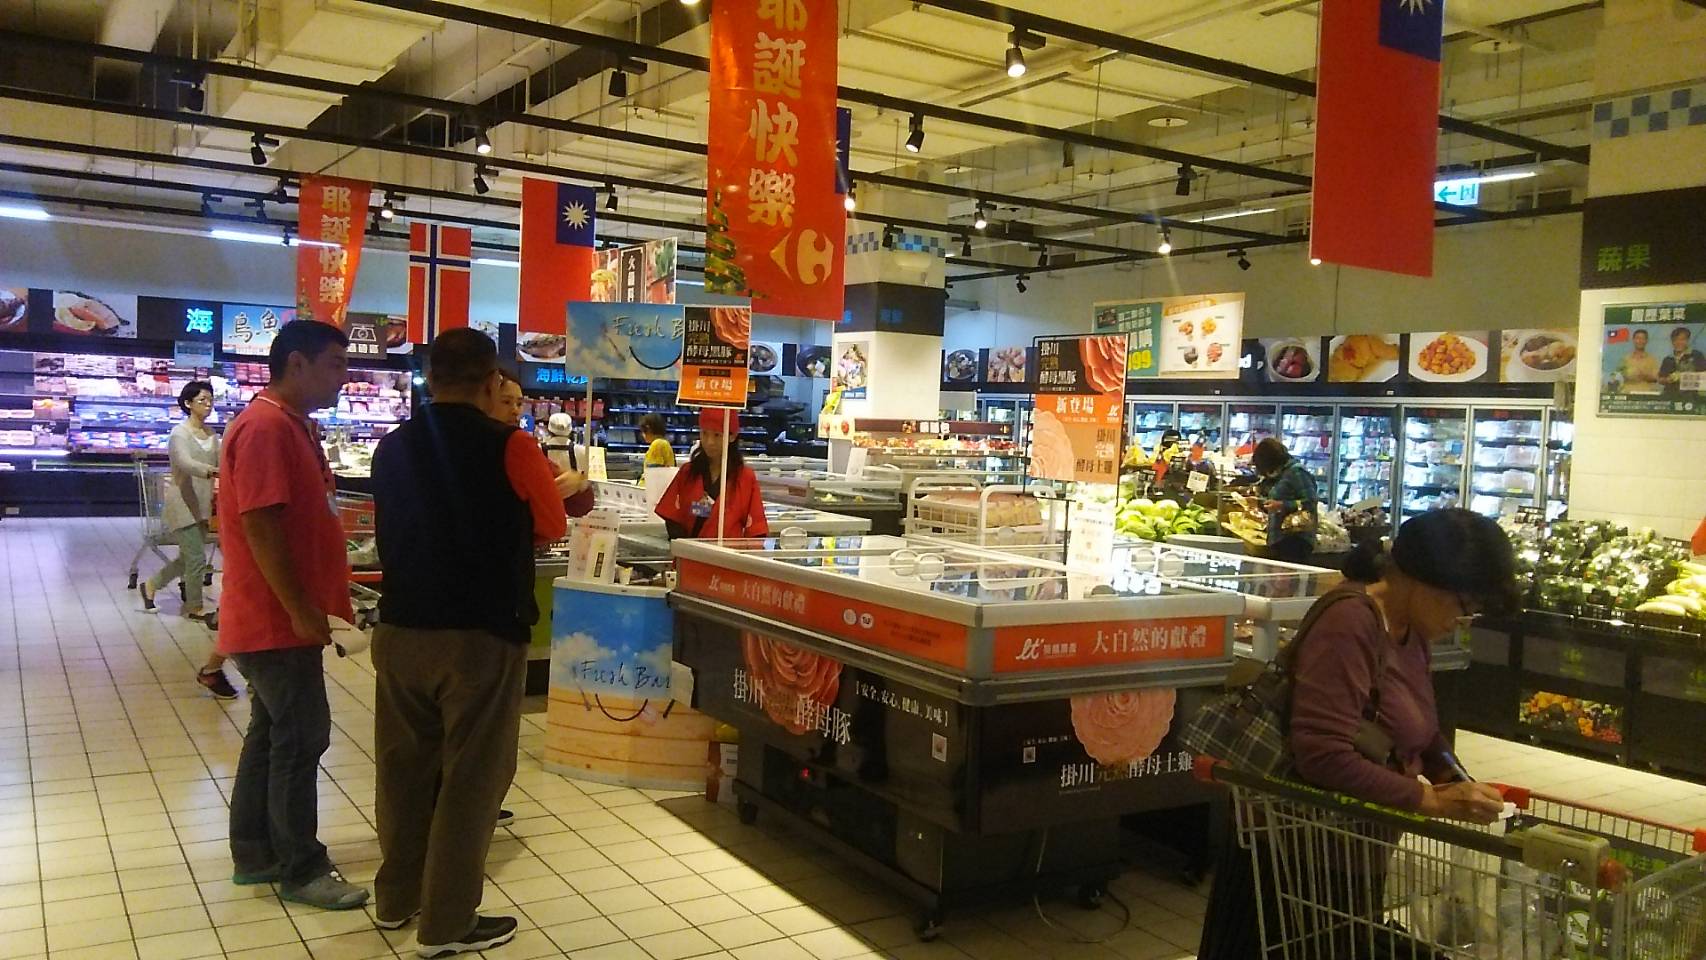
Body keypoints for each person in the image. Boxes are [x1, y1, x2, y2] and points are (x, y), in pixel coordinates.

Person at [1197, 508, 1515, 960]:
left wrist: (1453, 777)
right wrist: (1428, 800)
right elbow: (1322, 754)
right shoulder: (1350, 622)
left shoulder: (1409, 630)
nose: (1462, 620)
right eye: (1464, 606)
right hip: (1295, 855)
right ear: (1424, 580)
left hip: (1352, 845)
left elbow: (1420, 727)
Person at [368, 330, 571, 958]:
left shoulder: (391, 446)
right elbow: (551, 524)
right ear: (490, 382)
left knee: (404, 769)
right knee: (472, 778)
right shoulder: (512, 445)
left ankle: (397, 898)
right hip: (480, 634)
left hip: (400, 628)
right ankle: (447, 923)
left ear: (430, 378)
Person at [216, 320, 368, 910]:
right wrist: (300, 608)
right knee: (303, 737)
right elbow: (261, 525)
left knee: (272, 733)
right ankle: (302, 868)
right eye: (335, 364)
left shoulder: (293, 425)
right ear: (297, 364)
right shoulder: (265, 428)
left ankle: (256, 852)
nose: (344, 376)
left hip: (275, 617)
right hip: (274, 621)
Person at [139, 380, 238, 699]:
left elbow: (224, 459)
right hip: (182, 502)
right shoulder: (179, 434)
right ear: (187, 404)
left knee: (187, 557)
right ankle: (193, 606)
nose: (207, 405)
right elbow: (184, 463)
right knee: (195, 557)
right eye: (201, 400)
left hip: (203, 503)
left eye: (210, 400)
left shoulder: (212, 434)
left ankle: (150, 585)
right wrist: (213, 472)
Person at [655, 408, 768, 539]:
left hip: (728, 551)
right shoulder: (688, 472)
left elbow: (756, 530)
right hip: (689, 549)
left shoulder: (745, 478)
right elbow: (672, 517)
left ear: (732, 436)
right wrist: (685, 546)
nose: (710, 442)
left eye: (717, 435)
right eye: (704, 433)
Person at [1253, 437, 1318, 564]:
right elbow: (1276, 499)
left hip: (1295, 541)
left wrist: (1283, 505)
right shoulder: (1281, 474)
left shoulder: (1297, 472)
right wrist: (1259, 502)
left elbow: (1311, 501)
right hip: (1280, 539)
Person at [1658, 326, 1705, 396]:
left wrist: (1682, 377)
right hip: (1670, 396)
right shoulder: (1668, 359)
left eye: (1682, 339)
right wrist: (1668, 379)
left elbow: (1704, 377)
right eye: (1675, 340)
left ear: (1688, 340)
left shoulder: (1696, 355)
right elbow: (1660, 379)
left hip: (1691, 396)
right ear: (1672, 342)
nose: (1678, 342)